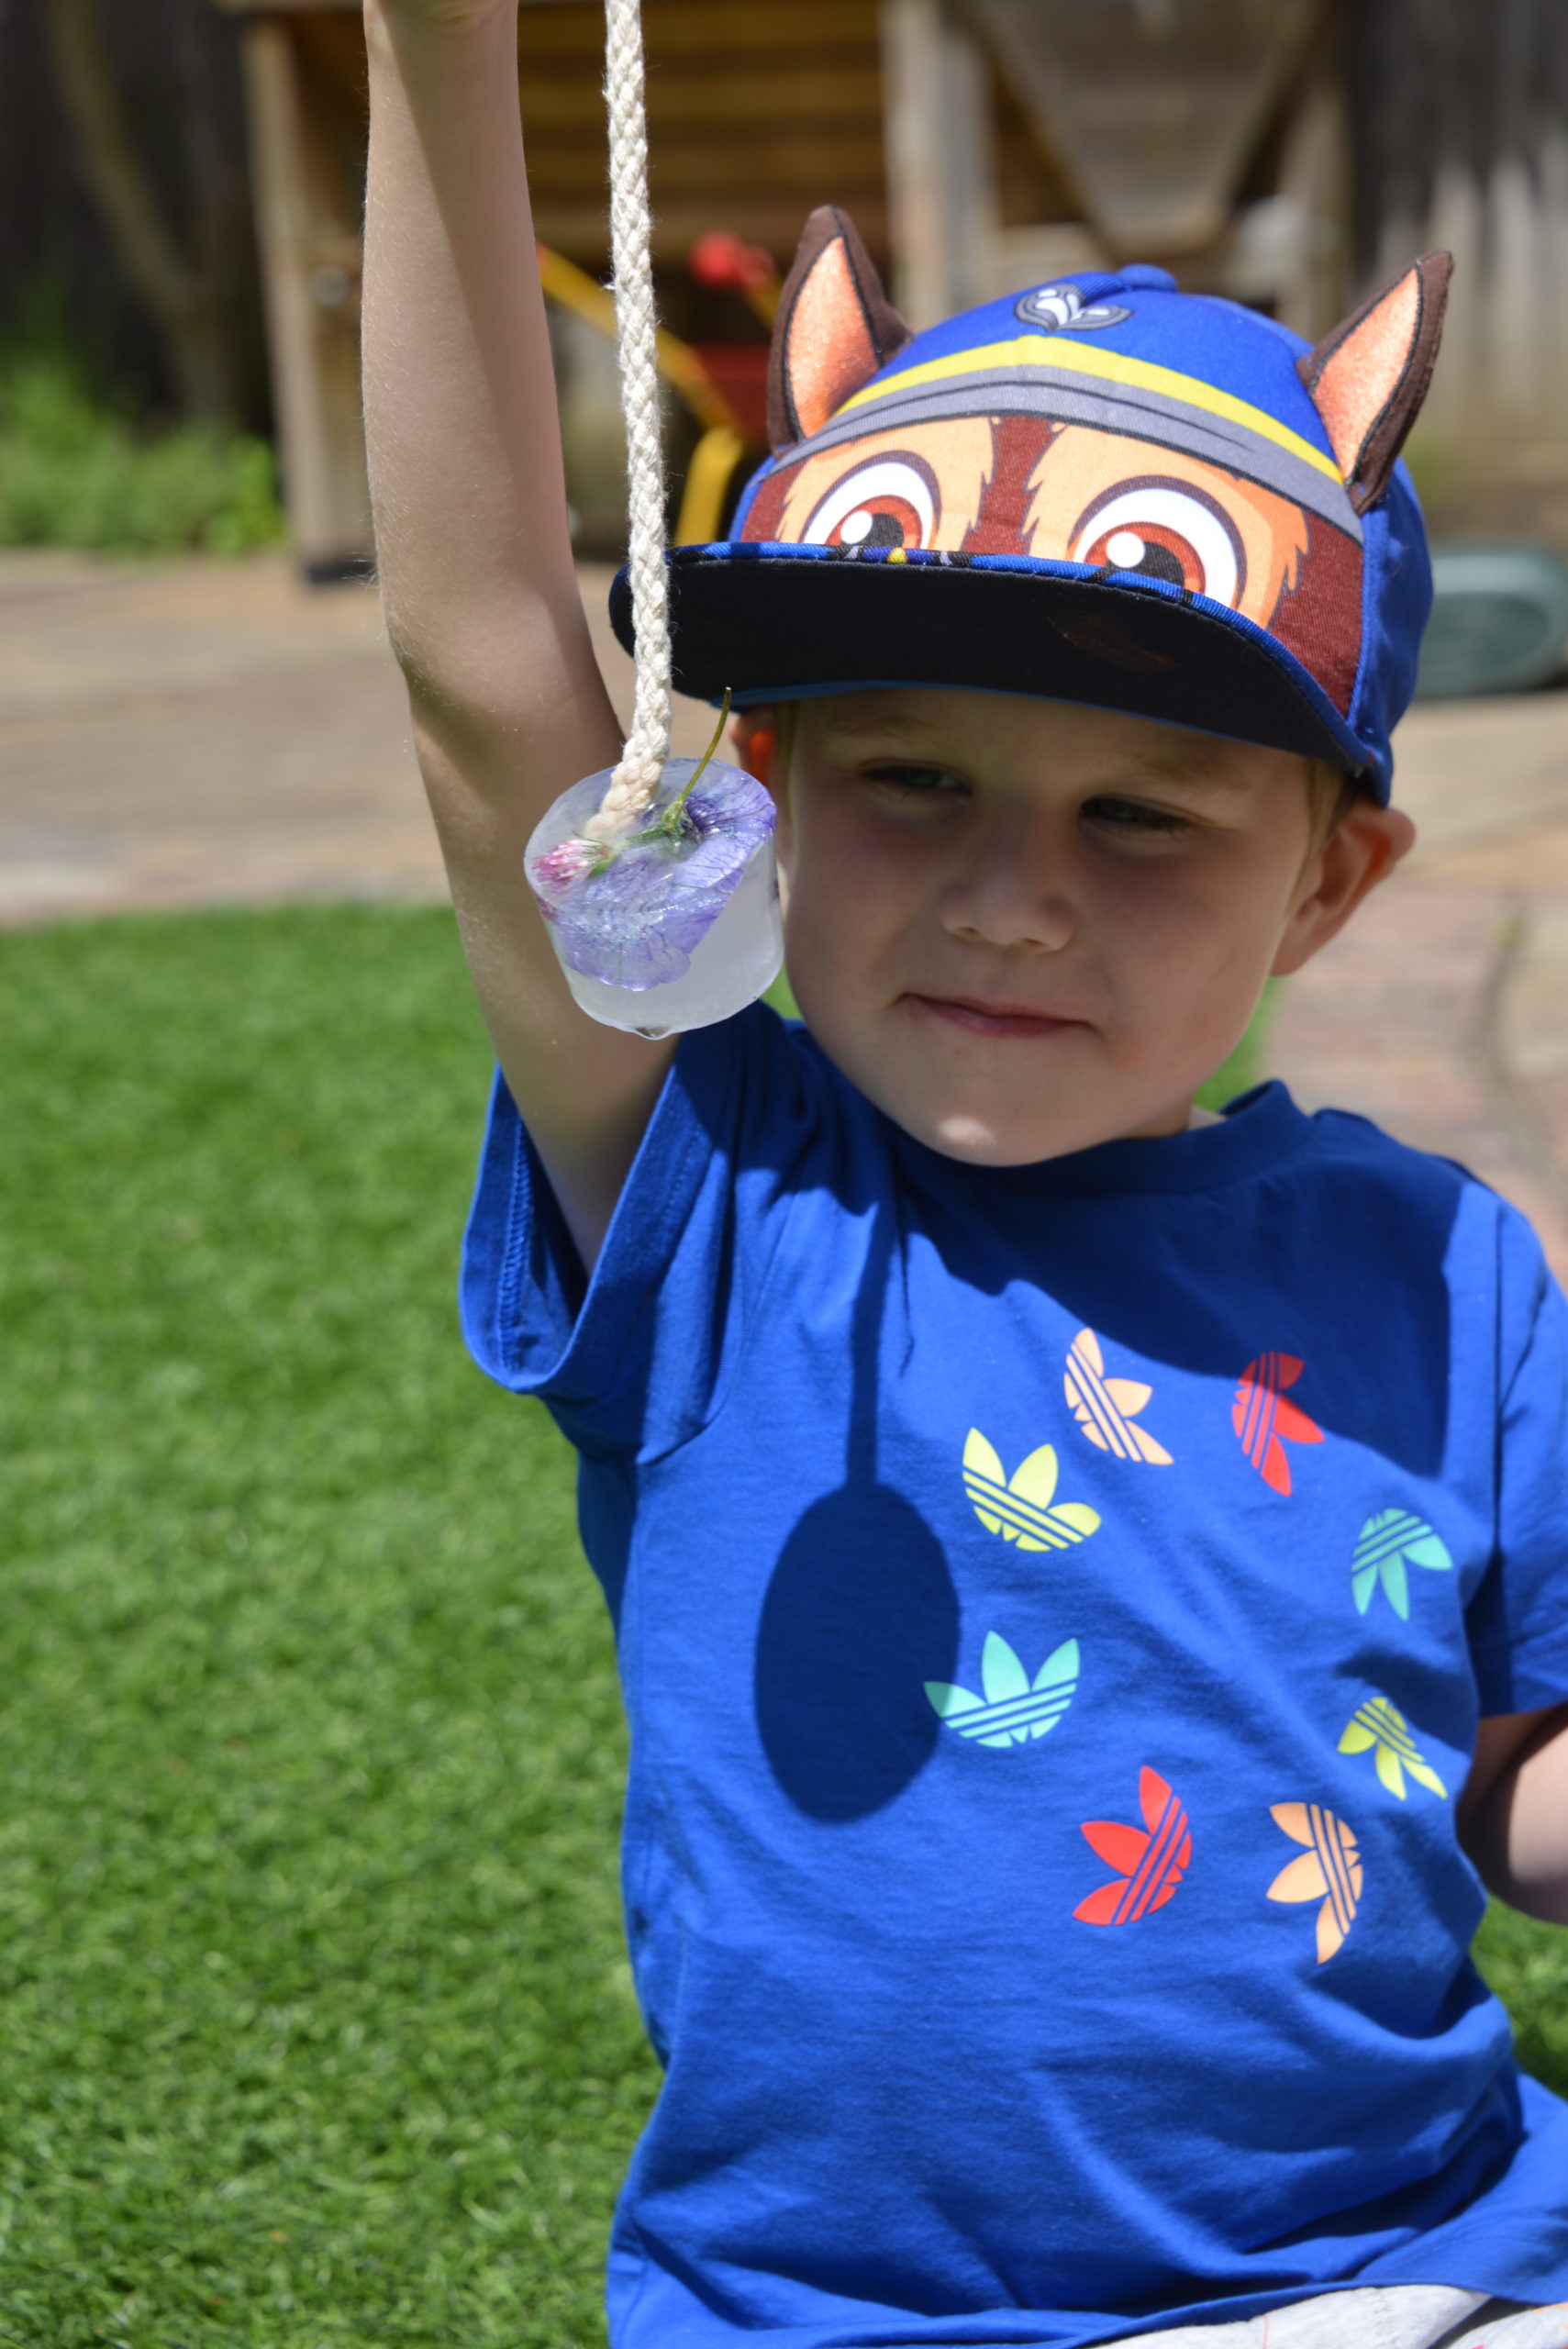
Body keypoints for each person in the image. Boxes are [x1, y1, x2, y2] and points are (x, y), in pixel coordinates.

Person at [359, 4, 1568, 2342]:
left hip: (1421, 2263)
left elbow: (1516, 1763)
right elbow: (478, 641)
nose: (1012, 897)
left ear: (1327, 889)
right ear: (776, 799)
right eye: (913, 782)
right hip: (842, 2305)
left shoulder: (1451, 1270)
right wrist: (435, 60)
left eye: (1140, 815)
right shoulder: (720, 1190)